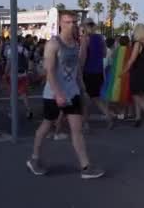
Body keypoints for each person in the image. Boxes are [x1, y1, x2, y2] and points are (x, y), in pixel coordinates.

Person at [27, 10, 104, 179]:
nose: (72, 25)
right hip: (53, 94)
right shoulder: (53, 44)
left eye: (74, 22)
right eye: (68, 22)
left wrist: (81, 87)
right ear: (61, 23)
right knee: (46, 126)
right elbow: (50, 73)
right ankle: (34, 159)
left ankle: (85, 166)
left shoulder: (76, 44)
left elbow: (79, 67)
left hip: (72, 92)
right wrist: (58, 93)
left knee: (77, 130)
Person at [80, 18, 115, 129]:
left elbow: (83, 56)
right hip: (98, 71)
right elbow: (104, 54)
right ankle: (108, 116)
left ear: (85, 26)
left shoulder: (85, 39)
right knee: (96, 97)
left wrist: (79, 69)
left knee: (86, 99)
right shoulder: (100, 38)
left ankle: (85, 123)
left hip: (88, 71)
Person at [121, 24, 144, 128]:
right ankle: (138, 118)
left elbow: (132, 60)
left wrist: (123, 71)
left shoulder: (138, 43)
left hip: (137, 71)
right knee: (140, 95)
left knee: (136, 95)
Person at [4, 36, 33, 120]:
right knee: (23, 94)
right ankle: (28, 110)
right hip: (23, 74)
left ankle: (13, 112)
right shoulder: (24, 50)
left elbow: (8, 63)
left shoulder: (10, 50)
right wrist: (29, 71)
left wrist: (5, 73)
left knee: (13, 94)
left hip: (13, 74)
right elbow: (28, 61)